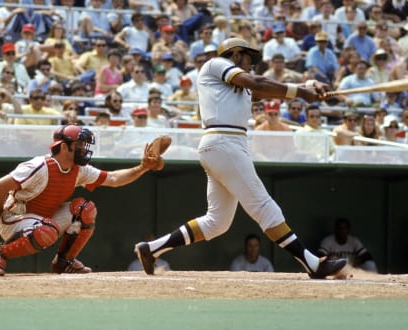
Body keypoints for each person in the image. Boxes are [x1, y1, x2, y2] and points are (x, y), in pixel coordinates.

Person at [133, 37, 347, 279]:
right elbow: (257, 81)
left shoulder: (240, 87)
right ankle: (313, 264)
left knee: (217, 222)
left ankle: (151, 249)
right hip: (224, 142)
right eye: (248, 57)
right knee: (265, 207)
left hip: (225, 146)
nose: (251, 64)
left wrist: (307, 86)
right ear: (234, 54)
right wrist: (301, 92)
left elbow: (262, 88)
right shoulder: (215, 64)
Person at [0, 124, 164, 276]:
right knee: (47, 229)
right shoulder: (40, 166)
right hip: (14, 219)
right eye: (79, 144)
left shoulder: (79, 169)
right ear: (64, 147)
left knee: (85, 209)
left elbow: (114, 179)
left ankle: (64, 262)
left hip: (44, 222)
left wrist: (143, 167)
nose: (84, 149)